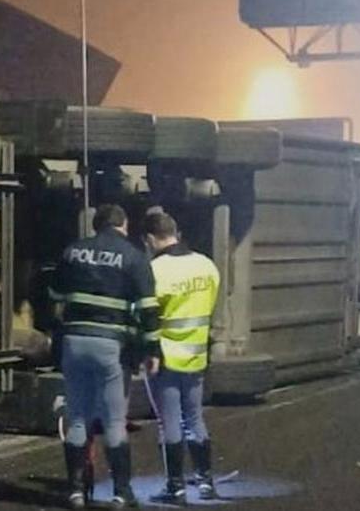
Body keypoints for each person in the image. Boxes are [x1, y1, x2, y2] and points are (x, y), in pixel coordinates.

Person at [51, 204, 161, 509]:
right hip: (110, 345)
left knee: (77, 418)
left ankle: (75, 492)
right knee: (114, 421)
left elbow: (54, 295)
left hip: (74, 343)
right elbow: (149, 309)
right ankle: (121, 492)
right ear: (122, 226)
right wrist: (151, 350)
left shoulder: (73, 251)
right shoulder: (134, 257)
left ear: (96, 226)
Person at [143, 211, 221, 504]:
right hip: (197, 356)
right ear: (176, 231)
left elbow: (148, 315)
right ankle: (206, 483)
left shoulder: (155, 270)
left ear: (150, 239)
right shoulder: (207, 266)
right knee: (195, 419)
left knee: (169, 423)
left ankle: (175, 487)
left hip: (164, 358)